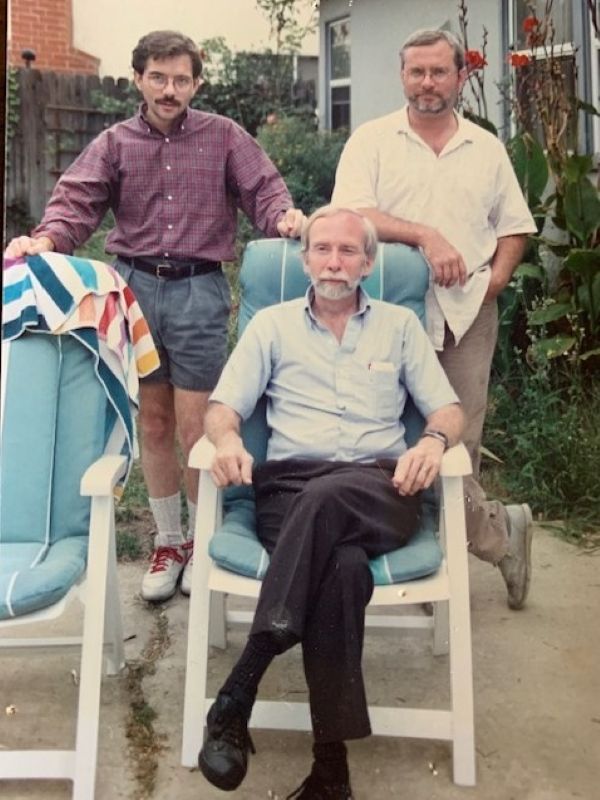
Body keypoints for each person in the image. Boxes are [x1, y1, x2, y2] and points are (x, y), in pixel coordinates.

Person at [4, 30, 304, 603]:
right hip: (134, 291)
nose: (171, 90)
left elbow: (266, 193)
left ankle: (208, 537)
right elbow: (76, 203)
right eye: (159, 78)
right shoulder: (114, 143)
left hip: (198, 292)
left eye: (182, 79)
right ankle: (172, 541)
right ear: (139, 78)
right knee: (155, 425)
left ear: (197, 82)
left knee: (197, 428)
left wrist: (285, 219)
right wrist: (47, 241)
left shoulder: (224, 137)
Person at [197, 206, 464, 798]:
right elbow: (222, 407)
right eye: (323, 250)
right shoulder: (271, 326)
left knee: (330, 499)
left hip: (379, 489)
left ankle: (240, 688)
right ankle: (330, 772)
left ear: (368, 263)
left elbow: (447, 408)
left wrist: (433, 440)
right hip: (289, 489)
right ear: (305, 258)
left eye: (348, 251)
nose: (334, 262)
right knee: (340, 569)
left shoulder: (399, 326)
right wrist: (226, 440)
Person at [331, 29, 537, 610]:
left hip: (468, 313)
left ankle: (438, 568)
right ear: (403, 77)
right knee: (394, 435)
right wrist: (425, 233)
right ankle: (499, 536)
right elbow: (350, 213)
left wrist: (494, 281)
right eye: (416, 72)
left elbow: (514, 226)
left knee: (456, 445)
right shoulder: (372, 141)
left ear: (458, 77)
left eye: (439, 72)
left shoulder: (486, 148)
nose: (427, 84)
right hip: (384, 314)